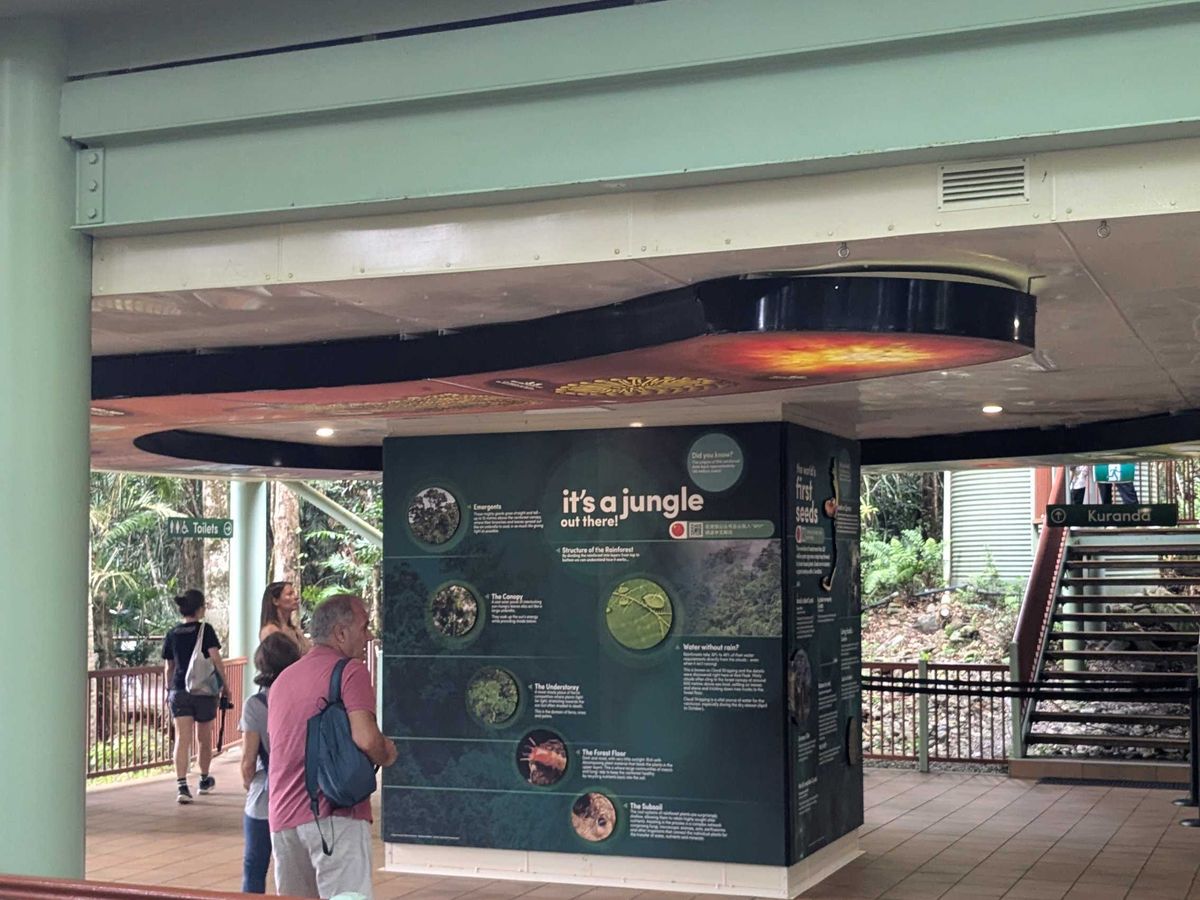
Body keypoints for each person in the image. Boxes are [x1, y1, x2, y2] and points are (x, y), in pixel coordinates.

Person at [267, 594, 396, 899]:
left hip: (283, 818)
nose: (369, 636)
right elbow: (366, 738)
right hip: (335, 815)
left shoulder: (283, 680)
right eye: (364, 627)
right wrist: (388, 752)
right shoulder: (350, 671)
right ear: (340, 633)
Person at [240, 633, 303, 894]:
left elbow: (248, 762)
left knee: (255, 867)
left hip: (265, 799)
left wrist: (249, 783)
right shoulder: (306, 699)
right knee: (297, 872)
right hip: (302, 796)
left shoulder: (255, 705)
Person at [161, 589, 230, 804]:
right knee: (204, 737)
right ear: (200, 609)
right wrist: (225, 686)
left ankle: (182, 785)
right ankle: (203, 780)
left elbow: (169, 667)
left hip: (179, 690)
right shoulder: (205, 630)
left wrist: (169, 690)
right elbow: (216, 660)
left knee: (182, 738)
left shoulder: (172, 633)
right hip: (204, 691)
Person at [260, 580, 312, 653]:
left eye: (294, 593)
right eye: (290, 594)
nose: (296, 597)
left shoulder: (295, 630)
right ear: (275, 601)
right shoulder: (270, 631)